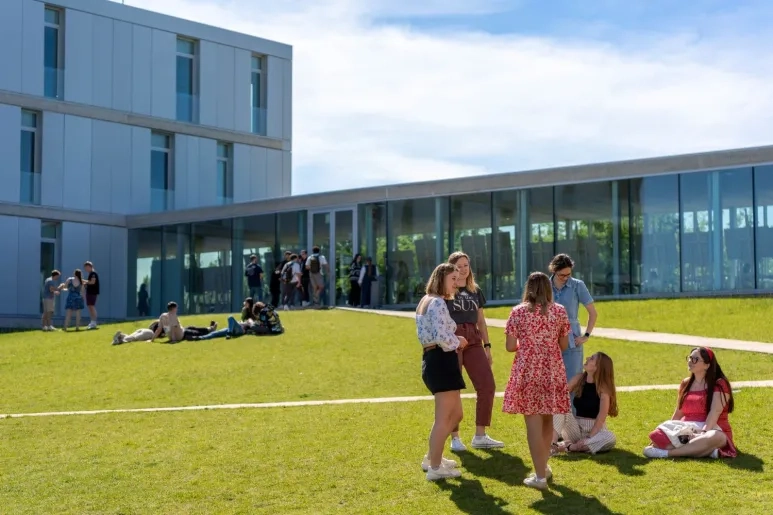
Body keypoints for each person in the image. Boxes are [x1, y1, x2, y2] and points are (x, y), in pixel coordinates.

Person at [503, 271, 571, 490]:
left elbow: (510, 346)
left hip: (528, 370)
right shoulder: (560, 311)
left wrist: (529, 346)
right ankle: (543, 468)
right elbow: (564, 345)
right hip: (552, 369)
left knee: (532, 421)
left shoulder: (518, 312)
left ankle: (540, 476)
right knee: (547, 420)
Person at [446, 251, 503, 451]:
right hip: (453, 338)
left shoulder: (474, 290)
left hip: (474, 338)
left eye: (466, 265)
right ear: (451, 267)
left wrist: (487, 346)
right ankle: (455, 437)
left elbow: (481, 320)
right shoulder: (446, 290)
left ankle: (480, 435)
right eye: (458, 265)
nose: (462, 269)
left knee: (487, 384)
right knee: (453, 388)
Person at [416, 262, 468, 481]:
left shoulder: (428, 301)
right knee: (444, 418)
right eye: (452, 280)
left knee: (455, 414)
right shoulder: (436, 302)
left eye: (457, 280)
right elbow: (442, 337)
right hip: (440, 360)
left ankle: (432, 457)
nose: (456, 284)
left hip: (437, 360)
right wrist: (459, 341)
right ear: (441, 279)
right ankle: (435, 467)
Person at [644, 347, 736, 459]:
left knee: (714, 437)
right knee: (657, 437)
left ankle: (667, 453)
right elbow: (678, 413)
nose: (690, 361)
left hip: (712, 428)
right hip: (686, 429)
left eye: (695, 359)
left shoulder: (719, 383)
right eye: (690, 358)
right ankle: (704, 451)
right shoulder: (685, 383)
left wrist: (703, 433)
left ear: (707, 365)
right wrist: (669, 431)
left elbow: (714, 413)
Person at [549, 254, 598, 395]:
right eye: (561, 275)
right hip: (549, 341)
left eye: (568, 274)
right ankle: (553, 417)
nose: (565, 278)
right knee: (551, 383)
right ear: (553, 270)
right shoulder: (545, 285)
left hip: (572, 341)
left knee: (573, 383)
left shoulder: (577, 285)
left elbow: (593, 313)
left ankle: (573, 417)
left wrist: (586, 335)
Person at [552, 352, 618, 455]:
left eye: (591, 358)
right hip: (575, 428)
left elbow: (601, 419)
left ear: (598, 367)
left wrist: (589, 437)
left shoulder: (603, 389)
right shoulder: (579, 378)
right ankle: (552, 445)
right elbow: (561, 395)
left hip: (595, 431)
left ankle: (570, 447)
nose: (587, 358)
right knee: (561, 408)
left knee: (610, 437)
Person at [150, 302, 217, 343]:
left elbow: (159, 329)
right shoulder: (173, 316)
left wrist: (152, 339)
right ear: (173, 309)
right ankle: (211, 329)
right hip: (182, 335)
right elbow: (173, 329)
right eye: (176, 308)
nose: (177, 309)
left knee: (192, 327)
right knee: (197, 333)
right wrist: (173, 340)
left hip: (182, 331)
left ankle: (210, 328)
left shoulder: (162, 316)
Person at [83, 261, 100, 330]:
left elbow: (93, 282)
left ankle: (94, 322)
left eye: (86, 268)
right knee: (90, 307)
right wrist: (86, 283)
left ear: (89, 267)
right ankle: (92, 322)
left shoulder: (93, 273)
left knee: (91, 306)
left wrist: (84, 281)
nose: (85, 269)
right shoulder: (91, 274)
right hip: (89, 292)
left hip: (92, 292)